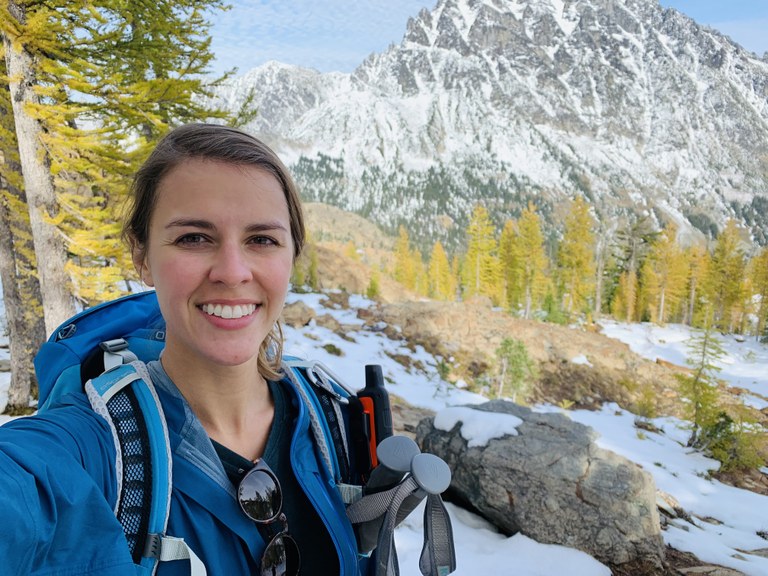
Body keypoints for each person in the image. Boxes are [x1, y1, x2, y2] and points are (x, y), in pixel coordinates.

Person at [0, 124, 362, 575]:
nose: (232, 272)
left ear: (292, 256)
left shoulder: (334, 424)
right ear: (142, 256)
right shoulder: (94, 448)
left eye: (262, 240)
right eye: (194, 237)